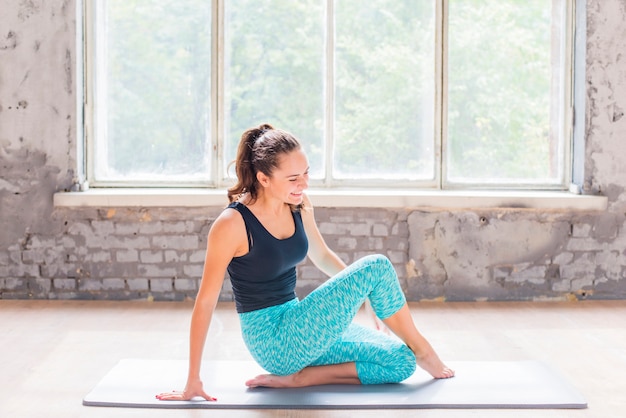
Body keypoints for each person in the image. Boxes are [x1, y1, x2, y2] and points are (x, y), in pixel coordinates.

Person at [156, 124, 454, 402]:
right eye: (293, 178)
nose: (303, 184)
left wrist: (366, 296)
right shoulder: (232, 224)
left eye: (306, 173)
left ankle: (301, 378)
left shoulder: (298, 205)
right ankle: (424, 349)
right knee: (376, 266)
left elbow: (322, 255)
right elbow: (205, 303)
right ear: (263, 178)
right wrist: (192, 379)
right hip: (274, 341)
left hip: (302, 324)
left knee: (401, 362)